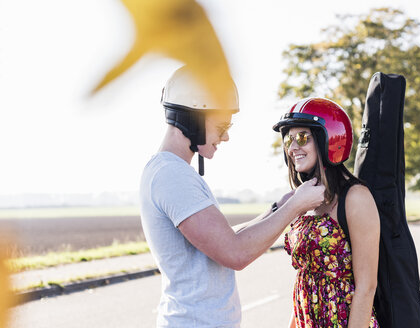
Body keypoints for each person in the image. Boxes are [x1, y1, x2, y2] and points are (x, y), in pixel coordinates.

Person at [139, 66, 326, 327]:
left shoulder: (172, 171)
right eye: (221, 125)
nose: (225, 136)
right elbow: (234, 253)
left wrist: (275, 209)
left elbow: (223, 239)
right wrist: (295, 207)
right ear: (193, 117)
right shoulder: (172, 175)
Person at [272, 97, 380, 328]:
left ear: (328, 139)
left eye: (301, 138)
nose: (292, 148)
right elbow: (305, 281)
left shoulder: (356, 197)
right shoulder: (305, 198)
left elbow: (367, 287)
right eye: (288, 140)